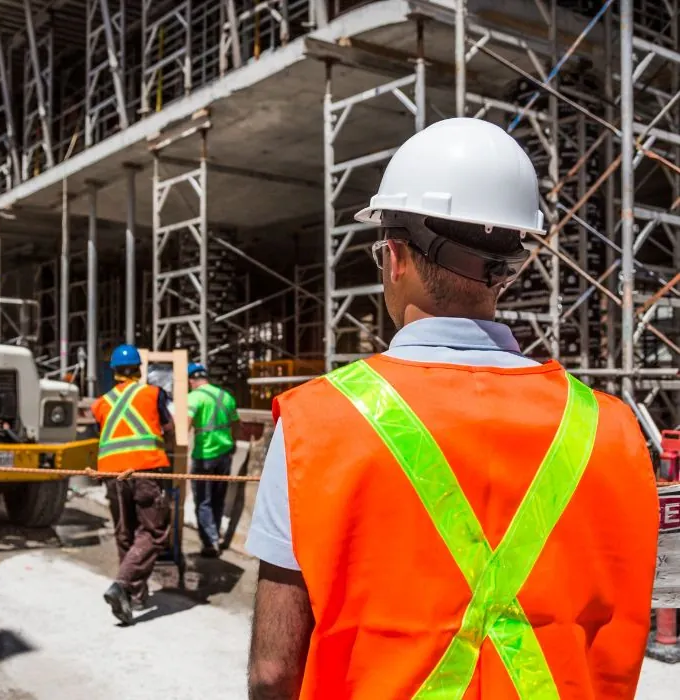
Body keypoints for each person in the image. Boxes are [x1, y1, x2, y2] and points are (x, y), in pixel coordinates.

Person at [245, 118, 659, 699]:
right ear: (508, 268)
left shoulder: (317, 423)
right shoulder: (610, 428)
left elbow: (272, 671)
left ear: (393, 257)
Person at [92, 344, 174, 625]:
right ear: (139, 369)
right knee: (155, 533)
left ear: (113, 371)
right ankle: (122, 584)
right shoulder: (152, 394)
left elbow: (103, 435)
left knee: (125, 533)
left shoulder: (101, 403)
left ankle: (135, 596)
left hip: (113, 476)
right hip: (145, 470)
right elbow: (169, 426)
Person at [187, 362, 240, 557]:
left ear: (191, 380)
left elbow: (185, 424)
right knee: (218, 498)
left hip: (204, 456)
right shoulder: (226, 396)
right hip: (225, 455)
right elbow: (237, 424)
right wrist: (232, 443)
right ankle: (215, 535)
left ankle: (210, 543)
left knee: (203, 500)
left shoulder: (194, 397)